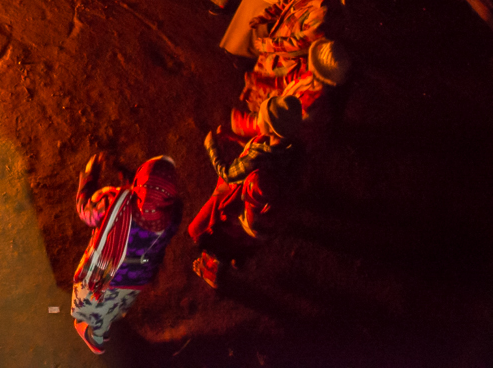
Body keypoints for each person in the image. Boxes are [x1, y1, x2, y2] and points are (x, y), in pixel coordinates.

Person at [71, 154, 181, 355]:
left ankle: (95, 337)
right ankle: (102, 327)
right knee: (114, 304)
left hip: (108, 269)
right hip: (139, 275)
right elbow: (150, 205)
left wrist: (89, 177)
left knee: (93, 298)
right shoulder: (173, 216)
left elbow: (85, 211)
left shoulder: (113, 201)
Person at [190, 96, 303, 288]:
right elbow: (260, 149)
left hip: (247, 215)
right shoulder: (295, 150)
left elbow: (227, 173)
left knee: (201, 230)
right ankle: (238, 255)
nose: (259, 117)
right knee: (245, 243)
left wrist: (211, 147)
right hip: (270, 218)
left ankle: (213, 270)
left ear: (272, 128)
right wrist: (235, 138)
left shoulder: (257, 159)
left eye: (263, 117)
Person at [238, 0, 347, 101]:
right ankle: (252, 108)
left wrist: (269, 44)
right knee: (258, 82)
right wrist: (264, 16)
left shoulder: (324, 13)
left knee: (271, 90)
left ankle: (266, 118)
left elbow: (302, 42)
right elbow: (286, 3)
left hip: (288, 61)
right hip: (273, 49)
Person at [233, 38, 350, 147]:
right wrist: (265, 81)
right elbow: (289, 81)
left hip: (288, 136)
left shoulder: (311, 105)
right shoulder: (309, 77)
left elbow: (283, 127)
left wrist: (247, 124)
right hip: (281, 116)